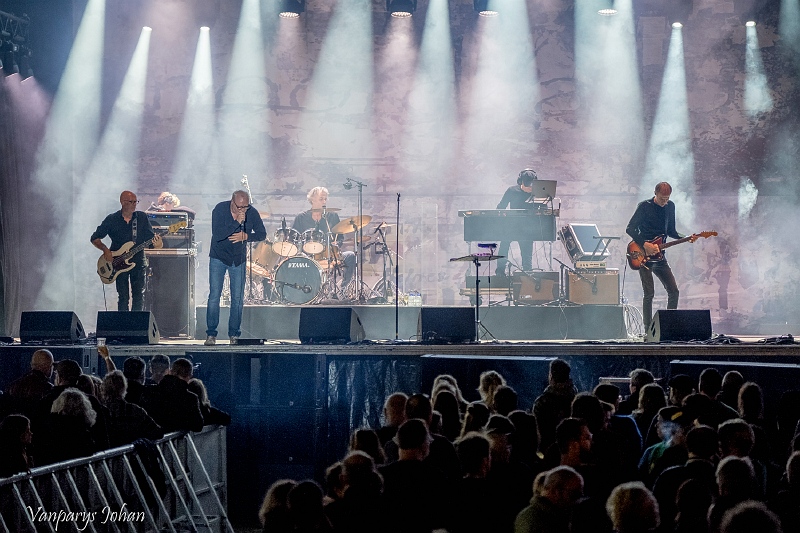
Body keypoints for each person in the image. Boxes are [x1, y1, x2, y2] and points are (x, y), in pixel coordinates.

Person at [626, 182, 696, 330]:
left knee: (674, 291)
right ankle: (647, 330)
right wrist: (645, 244)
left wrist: (686, 237)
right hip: (643, 256)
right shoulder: (644, 206)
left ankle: (669, 326)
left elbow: (671, 231)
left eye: (667, 198)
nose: (665, 202)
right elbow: (630, 228)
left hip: (660, 257)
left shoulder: (670, 207)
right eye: (662, 198)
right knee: (649, 294)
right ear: (655, 193)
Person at [205, 190, 267, 346]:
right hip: (218, 257)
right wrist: (236, 222)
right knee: (214, 296)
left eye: (245, 207)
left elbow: (262, 234)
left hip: (238, 259)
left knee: (237, 299)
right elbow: (218, 234)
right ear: (232, 202)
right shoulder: (220, 209)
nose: (243, 210)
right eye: (239, 207)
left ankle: (234, 334)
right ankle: (211, 334)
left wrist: (247, 236)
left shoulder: (252, 213)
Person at [91, 191, 163, 311]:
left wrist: (158, 244)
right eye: (131, 202)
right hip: (117, 263)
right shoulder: (112, 219)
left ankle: (136, 321)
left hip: (138, 262)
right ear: (123, 202)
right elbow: (95, 238)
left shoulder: (141, 217)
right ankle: (122, 321)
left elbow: (151, 241)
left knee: (139, 295)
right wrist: (105, 250)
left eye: (136, 202)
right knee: (123, 296)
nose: (134, 204)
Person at [291, 186, 356, 289]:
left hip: (329, 256)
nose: (324, 201)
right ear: (312, 199)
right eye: (321, 199)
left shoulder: (332, 217)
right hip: (308, 258)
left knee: (350, 256)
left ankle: (343, 289)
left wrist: (337, 243)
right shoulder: (301, 218)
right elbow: (293, 239)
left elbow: (340, 237)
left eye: (325, 199)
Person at [495, 169, 541, 276]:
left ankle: (527, 274)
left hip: (527, 228)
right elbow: (500, 207)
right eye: (527, 186)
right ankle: (500, 272)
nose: (529, 188)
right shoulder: (512, 191)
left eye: (532, 186)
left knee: (527, 254)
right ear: (520, 181)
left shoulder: (537, 193)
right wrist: (502, 217)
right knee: (504, 246)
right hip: (511, 225)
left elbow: (544, 209)